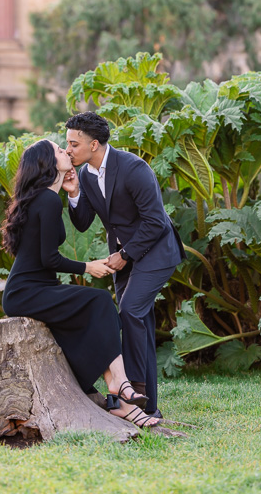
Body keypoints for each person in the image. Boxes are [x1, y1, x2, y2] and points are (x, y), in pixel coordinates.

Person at [1, 138, 160, 429]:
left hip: (34, 290)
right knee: (99, 302)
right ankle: (122, 387)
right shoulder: (46, 200)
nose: (66, 151)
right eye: (59, 150)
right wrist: (89, 267)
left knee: (94, 313)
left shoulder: (44, 198)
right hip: (27, 292)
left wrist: (72, 190)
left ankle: (120, 397)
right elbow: (49, 259)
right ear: (48, 163)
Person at [63, 112, 186, 418]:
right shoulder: (88, 175)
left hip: (156, 252)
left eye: (73, 144)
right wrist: (74, 192)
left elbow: (156, 222)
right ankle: (150, 409)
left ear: (93, 144)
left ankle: (132, 392)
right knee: (137, 321)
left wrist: (125, 254)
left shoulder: (133, 168)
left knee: (130, 310)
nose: (68, 150)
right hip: (127, 258)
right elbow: (82, 223)